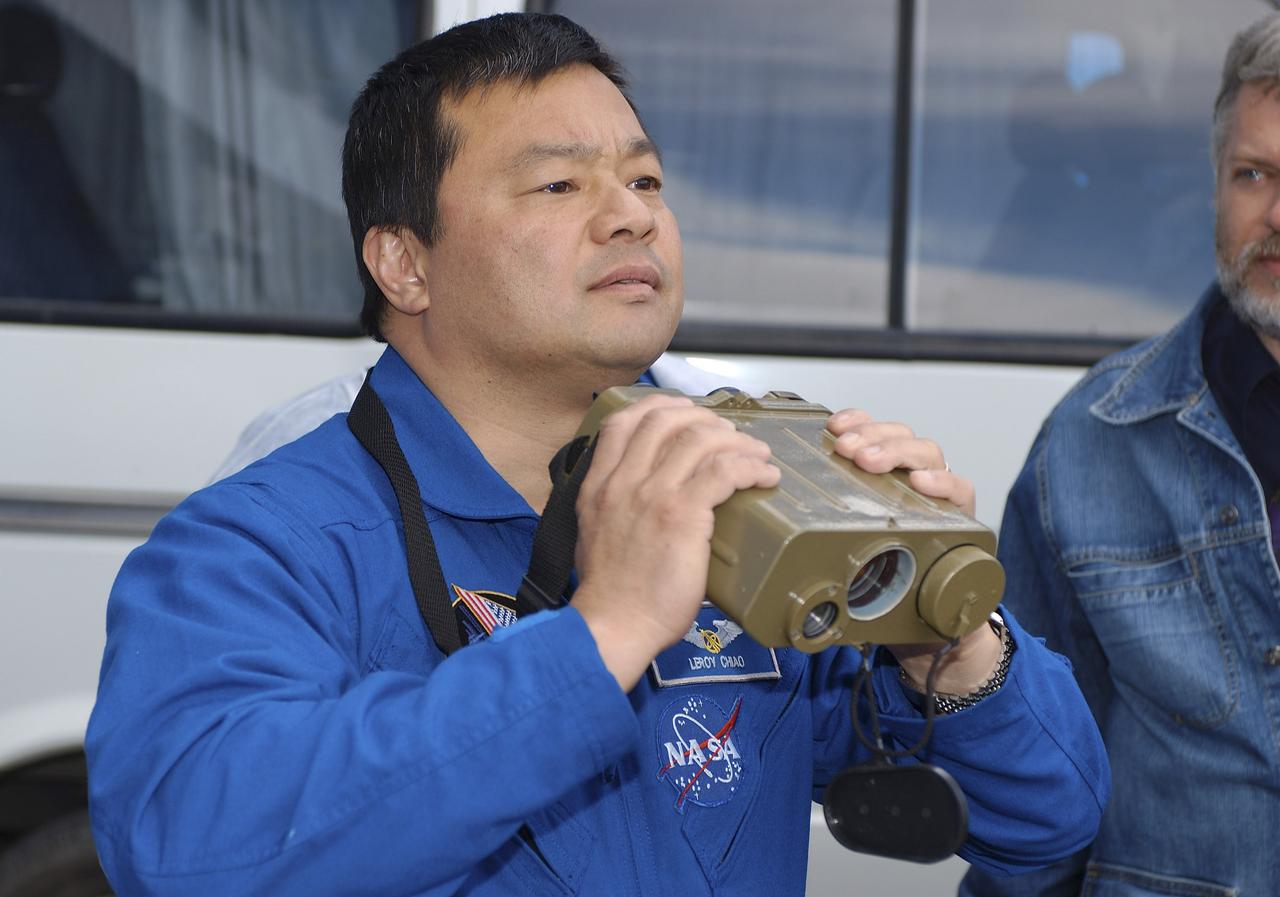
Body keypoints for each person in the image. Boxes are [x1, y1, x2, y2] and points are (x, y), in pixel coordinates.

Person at [86, 14, 1107, 896]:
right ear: (403, 261)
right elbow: (188, 851)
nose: (631, 214)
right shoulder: (262, 542)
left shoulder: (748, 494)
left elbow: (1044, 823)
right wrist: (602, 633)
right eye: (558, 185)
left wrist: (937, 639)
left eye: (645, 176)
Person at [960, 14, 1280, 897]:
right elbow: (1028, 777)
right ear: (1216, 185)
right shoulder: (1092, 442)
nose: (1277, 213)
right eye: (1254, 174)